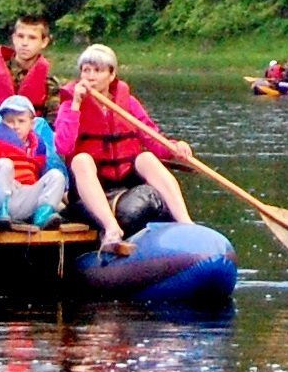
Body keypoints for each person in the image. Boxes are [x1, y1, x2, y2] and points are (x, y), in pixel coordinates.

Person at [52, 42, 196, 255]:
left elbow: (152, 138)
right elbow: (63, 145)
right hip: (92, 185)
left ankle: (185, 222)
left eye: (98, 71)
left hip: (125, 180)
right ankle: (111, 228)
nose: (90, 76)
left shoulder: (128, 103)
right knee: (81, 159)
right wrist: (75, 106)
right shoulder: (70, 106)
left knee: (145, 158)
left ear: (111, 75)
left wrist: (175, 148)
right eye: (86, 70)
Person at [0, 94, 63, 230]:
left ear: (32, 124)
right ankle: (0, 212)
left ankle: (42, 215)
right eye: (10, 121)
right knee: (5, 164)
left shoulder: (38, 147)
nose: (15, 126)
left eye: (21, 121)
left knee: (56, 175)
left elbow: (42, 176)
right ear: (2, 122)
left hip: (25, 197)